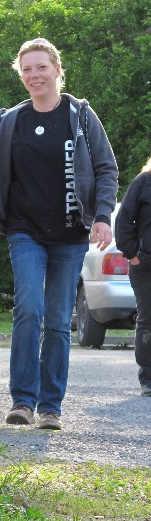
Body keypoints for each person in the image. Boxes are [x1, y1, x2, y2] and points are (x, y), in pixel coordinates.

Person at [0, 37, 118, 430]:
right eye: (27, 69)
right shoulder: (11, 121)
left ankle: (51, 406)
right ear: (21, 76)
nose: (34, 75)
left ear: (57, 69)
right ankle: (22, 401)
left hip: (71, 233)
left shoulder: (81, 116)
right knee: (29, 310)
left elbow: (106, 169)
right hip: (24, 231)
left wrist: (102, 215)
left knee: (57, 319)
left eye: (41, 67)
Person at [115, 158, 151, 397]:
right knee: (148, 320)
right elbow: (124, 220)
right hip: (145, 265)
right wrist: (133, 255)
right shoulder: (144, 181)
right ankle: (148, 379)